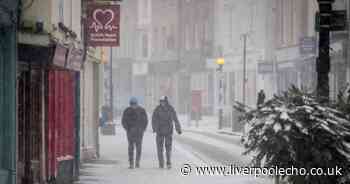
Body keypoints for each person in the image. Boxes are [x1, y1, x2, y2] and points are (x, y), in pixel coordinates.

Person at [152, 96, 182, 169]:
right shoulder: (157, 109)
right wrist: (154, 128)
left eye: (163, 101)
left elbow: (175, 119)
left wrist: (178, 129)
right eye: (161, 102)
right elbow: (154, 119)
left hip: (168, 131)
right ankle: (161, 163)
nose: (162, 103)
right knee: (160, 149)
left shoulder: (170, 109)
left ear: (166, 102)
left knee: (168, 148)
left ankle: (168, 162)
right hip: (159, 132)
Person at [122, 97, 148, 169]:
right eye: (132, 104)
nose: (133, 106)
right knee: (131, 148)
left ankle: (137, 162)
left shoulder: (142, 111)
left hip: (139, 133)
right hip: (130, 133)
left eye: (134, 104)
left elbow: (145, 120)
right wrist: (128, 129)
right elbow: (124, 121)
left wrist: (142, 129)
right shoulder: (127, 111)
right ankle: (131, 163)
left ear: (137, 104)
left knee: (138, 148)